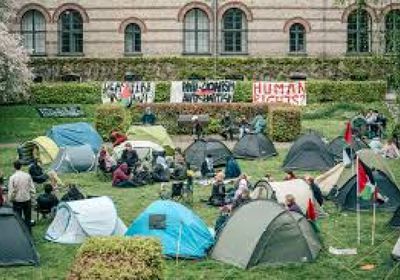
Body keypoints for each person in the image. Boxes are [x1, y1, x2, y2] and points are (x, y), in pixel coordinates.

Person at [8, 161, 36, 232]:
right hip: (27, 200)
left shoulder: (12, 177)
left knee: (18, 219)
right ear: (21, 166)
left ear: (14, 167)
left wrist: (10, 199)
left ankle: (19, 234)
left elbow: (11, 191)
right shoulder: (27, 176)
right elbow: (32, 189)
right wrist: (33, 200)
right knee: (28, 219)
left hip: (17, 201)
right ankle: (29, 234)